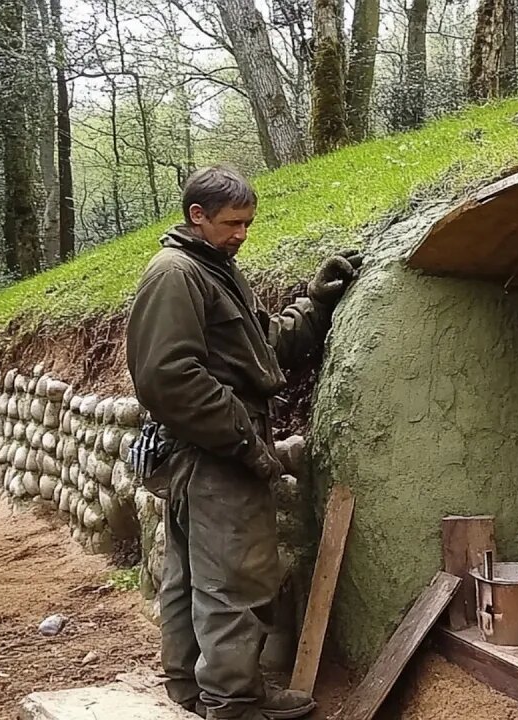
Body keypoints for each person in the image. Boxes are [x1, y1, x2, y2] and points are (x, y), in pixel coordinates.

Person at [126, 166, 362, 720]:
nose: (242, 233)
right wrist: (245, 443)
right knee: (234, 582)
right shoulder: (174, 274)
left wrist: (315, 302)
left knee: (194, 576)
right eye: (233, 222)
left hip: (210, 449)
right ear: (197, 216)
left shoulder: (215, 270)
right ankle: (234, 703)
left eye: (249, 222)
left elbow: (264, 348)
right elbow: (167, 378)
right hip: (212, 452)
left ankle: (192, 688)